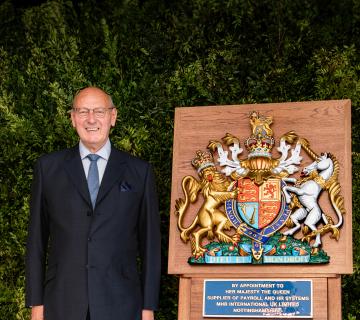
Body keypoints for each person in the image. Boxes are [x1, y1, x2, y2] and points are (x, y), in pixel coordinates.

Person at [25, 87, 161, 320]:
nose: (91, 119)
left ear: (113, 117)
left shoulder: (140, 172)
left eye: (99, 111)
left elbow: (150, 245)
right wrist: (36, 303)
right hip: (62, 303)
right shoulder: (48, 169)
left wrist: (148, 308)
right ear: (72, 118)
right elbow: (36, 241)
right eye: (83, 111)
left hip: (122, 304)